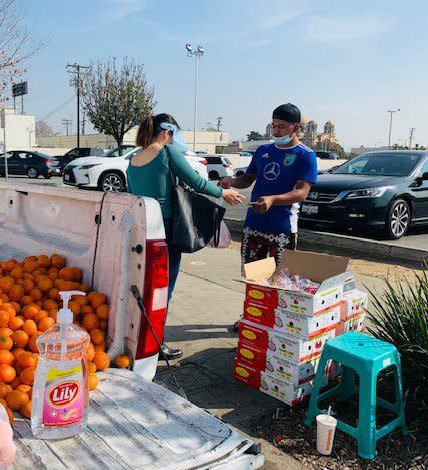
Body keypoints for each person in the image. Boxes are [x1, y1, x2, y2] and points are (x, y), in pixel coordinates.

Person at [127, 113, 245, 359]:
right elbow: (196, 182)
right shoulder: (166, 153)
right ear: (167, 132)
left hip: (141, 227)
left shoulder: (134, 159)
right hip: (167, 228)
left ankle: (137, 338)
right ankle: (156, 345)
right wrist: (224, 194)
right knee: (163, 289)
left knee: (145, 284)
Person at [219, 103, 317, 330]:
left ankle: (276, 324)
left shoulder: (306, 156)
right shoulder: (263, 151)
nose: (276, 132)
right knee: (254, 277)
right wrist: (231, 182)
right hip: (254, 225)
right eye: (273, 126)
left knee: (279, 281)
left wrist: (272, 200)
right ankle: (251, 317)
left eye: (281, 127)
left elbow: (301, 193)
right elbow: (248, 179)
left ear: (295, 128)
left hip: (282, 229)